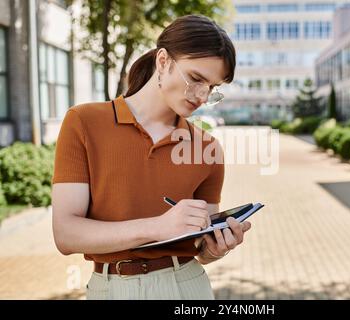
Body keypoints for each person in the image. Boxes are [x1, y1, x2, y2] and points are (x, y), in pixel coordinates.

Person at [51, 14, 251, 300]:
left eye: (213, 88)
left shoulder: (207, 149)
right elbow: (66, 234)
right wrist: (158, 227)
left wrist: (215, 249)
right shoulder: (83, 122)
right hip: (110, 289)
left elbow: (199, 249)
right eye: (196, 78)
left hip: (187, 287)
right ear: (163, 61)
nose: (203, 96)